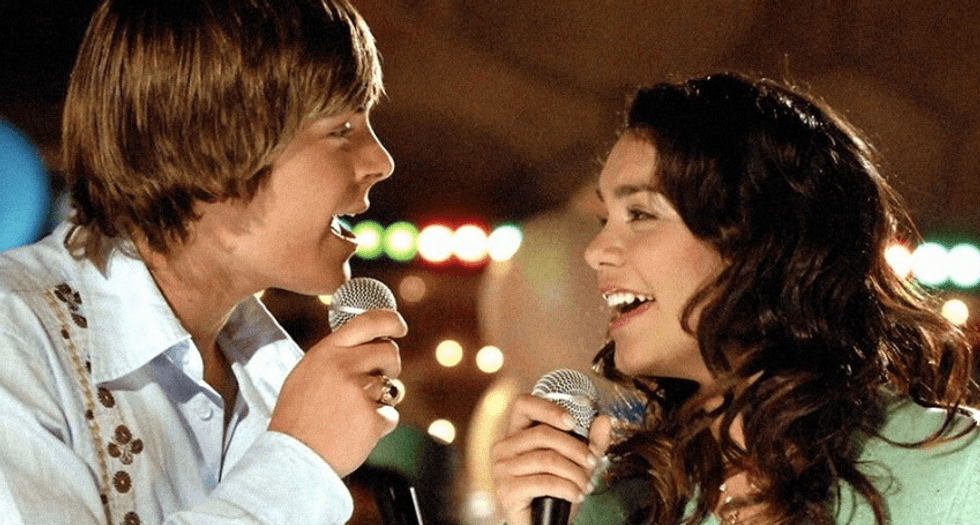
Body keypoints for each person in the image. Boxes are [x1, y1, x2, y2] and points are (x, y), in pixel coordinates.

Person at [491, 72, 980, 525]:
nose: (595, 251)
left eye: (640, 214)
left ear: (761, 239)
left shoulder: (957, 470)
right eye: (604, 221)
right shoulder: (618, 505)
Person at [0, 0, 406, 523]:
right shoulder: (16, 337)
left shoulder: (279, 379)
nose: (381, 162)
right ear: (209, 141)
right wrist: (299, 461)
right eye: (342, 129)